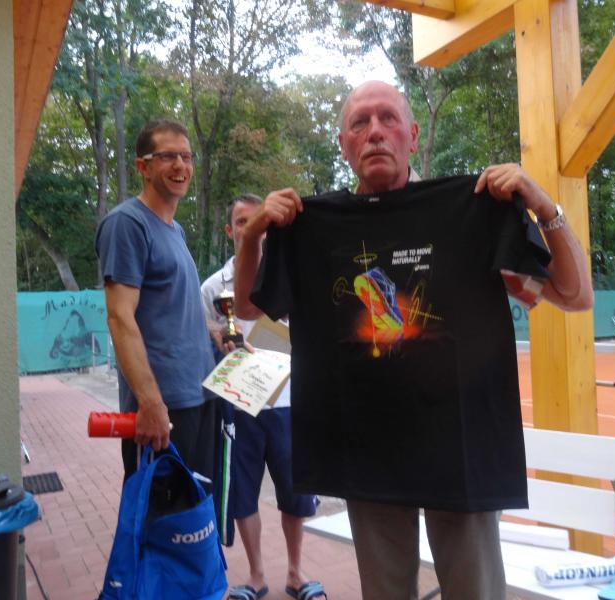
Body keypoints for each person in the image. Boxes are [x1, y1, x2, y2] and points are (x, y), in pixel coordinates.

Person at [232, 81, 593, 600]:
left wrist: (542, 204)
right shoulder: (314, 227)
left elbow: (574, 296)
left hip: (459, 449)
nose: (375, 132)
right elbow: (248, 309)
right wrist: (252, 235)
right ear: (343, 144)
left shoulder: (471, 211)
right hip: (368, 450)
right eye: (360, 123)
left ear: (413, 135)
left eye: (388, 118)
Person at [201, 193, 324, 600]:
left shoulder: (292, 276)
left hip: (289, 402)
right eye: (241, 221)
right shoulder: (213, 287)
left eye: (259, 221)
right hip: (239, 404)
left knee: (295, 493)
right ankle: (255, 576)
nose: (250, 228)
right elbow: (205, 335)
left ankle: (296, 573)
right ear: (230, 230)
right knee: (243, 494)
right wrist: (216, 337)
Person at [95, 118, 222, 482]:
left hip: (198, 395)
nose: (180, 165)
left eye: (186, 156)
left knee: (196, 512)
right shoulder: (127, 224)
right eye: (168, 156)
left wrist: (210, 330)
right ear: (143, 167)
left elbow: (168, 310)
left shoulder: (175, 230)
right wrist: (150, 403)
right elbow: (120, 317)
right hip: (165, 409)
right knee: (162, 515)